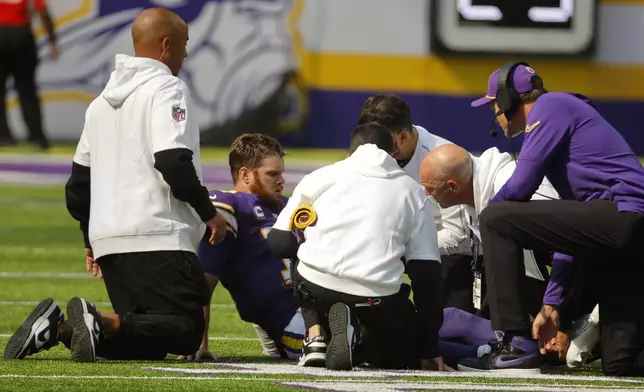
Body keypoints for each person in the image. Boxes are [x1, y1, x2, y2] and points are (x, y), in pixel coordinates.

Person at [3, 8, 228, 363]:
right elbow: (172, 161)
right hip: (158, 234)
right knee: (185, 329)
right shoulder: (167, 87)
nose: (186, 52)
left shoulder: (99, 104)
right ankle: (94, 319)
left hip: (109, 241)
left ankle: (58, 328)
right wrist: (209, 213)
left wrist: (88, 238)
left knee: (145, 342)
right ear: (167, 44)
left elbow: (78, 185)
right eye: (184, 44)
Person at [459, 61, 644, 376]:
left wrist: (488, 215)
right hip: (624, 234)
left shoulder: (550, 105)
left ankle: (513, 345)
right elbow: (570, 238)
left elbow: (520, 186)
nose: (494, 114)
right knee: (620, 364)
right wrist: (551, 307)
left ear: (507, 101)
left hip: (624, 217)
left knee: (495, 218)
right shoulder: (562, 113)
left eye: (494, 105)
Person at [267, 122, 449, 371]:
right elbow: (426, 277)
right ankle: (358, 339)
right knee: (399, 355)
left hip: (316, 289)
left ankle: (316, 336)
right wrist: (428, 348)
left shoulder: (320, 177)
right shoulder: (414, 192)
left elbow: (278, 242)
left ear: (349, 154)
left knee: (301, 250)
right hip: (376, 300)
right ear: (393, 154)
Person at [178, 133, 307, 363]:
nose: (281, 180)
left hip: (311, 308)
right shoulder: (230, 206)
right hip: (292, 321)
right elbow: (204, 282)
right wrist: (198, 342)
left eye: (281, 173)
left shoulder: (288, 206)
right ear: (245, 174)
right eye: (272, 174)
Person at [358, 95, 475, 313]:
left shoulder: (444, 160)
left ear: (402, 137)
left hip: (449, 258)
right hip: (400, 244)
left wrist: (401, 246)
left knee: (444, 322)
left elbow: (459, 238)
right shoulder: (374, 155)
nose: (371, 151)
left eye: (379, 143)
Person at [418, 144, 556, 319]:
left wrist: (555, 306)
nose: (427, 194)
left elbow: (566, 248)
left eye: (430, 188)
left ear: (453, 187)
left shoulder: (513, 191)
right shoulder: (478, 196)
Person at [0, 0, 58, 148]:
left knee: (24, 89)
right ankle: (37, 136)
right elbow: (43, 13)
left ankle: (4, 137)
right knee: (27, 90)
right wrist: (52, 41)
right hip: (21, 37)